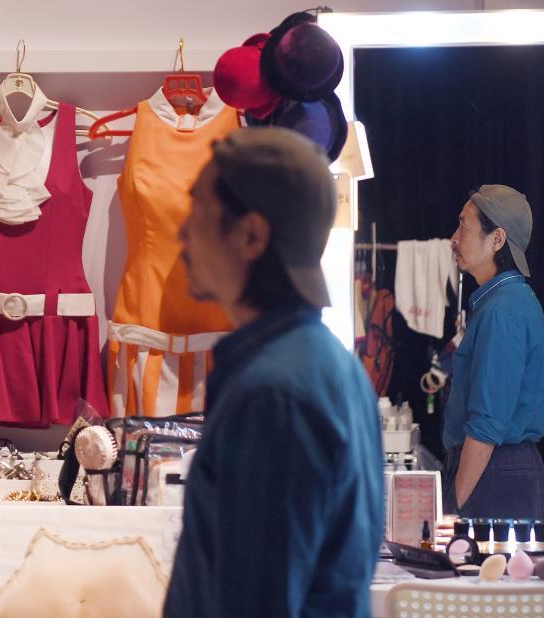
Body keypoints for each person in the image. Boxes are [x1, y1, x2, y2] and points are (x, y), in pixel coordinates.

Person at [164, 128, 383, 617]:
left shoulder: (274, 394)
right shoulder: (335, 369)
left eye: (198, 210)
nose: (183, 232)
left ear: (252, 235)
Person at [442, 185, 544, 519]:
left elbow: (487, 424)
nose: (454, 238)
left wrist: (453, 510)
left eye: (464, 226)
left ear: (497, 240)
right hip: (497, 469)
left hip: (494, 472)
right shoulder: (502, 301)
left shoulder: (502, 310)